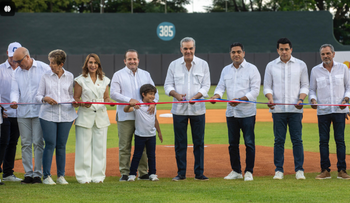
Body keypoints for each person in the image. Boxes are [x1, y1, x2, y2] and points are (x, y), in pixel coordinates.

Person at [210, 42, 261, 181]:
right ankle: (236, 171)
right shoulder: (226, 70)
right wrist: (216, 96)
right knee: (233, 144)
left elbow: (255, 91)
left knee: (249, 143)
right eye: (233, 52)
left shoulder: (252, 69)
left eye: (238, 52)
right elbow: (220, 87)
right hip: (231, 113)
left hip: (247, 113)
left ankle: (249, 171)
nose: (236, 54)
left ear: (244, 53)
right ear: (230, 54)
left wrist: (241, 99)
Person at [164, 37, 211, 181]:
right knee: (180, 143)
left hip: (198, 110)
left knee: (199, 142)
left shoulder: (203, 64)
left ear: (194, 48)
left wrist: (197, 96)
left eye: (190, 48)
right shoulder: (173, 65)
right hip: (179, 110)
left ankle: (199, 173)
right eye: (185, 48)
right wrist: (176, 94)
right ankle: (181, 173)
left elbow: (206, 86)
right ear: (181, 49)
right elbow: (167, 86)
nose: (188, 51)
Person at [263, 38, 309, 180]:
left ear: (291, 49)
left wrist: (301, 99)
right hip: (278, 110)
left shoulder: (301, 65)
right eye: (281, 49)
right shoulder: (270, 66)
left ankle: (299, 170)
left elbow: (305, 85)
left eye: (286, 49)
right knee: (279, 140)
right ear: (277, 50)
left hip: (295, 109)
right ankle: (279, 170)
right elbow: (267, 86)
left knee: (297, 140)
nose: (284, 52)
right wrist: (270, 98)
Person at [110, 49, 159, 182]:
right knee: (124, 146)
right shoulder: (118, 75)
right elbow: (113, 93)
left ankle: (143, 173)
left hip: (143, 117)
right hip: (125, 115)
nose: (132, 61)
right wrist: (129, 100)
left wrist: (154, 103)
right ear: (125, 61)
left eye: (134, 59)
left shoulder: (145, 74)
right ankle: (125, 173)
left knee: (142, 146)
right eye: (129, 59)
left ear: (138, 60)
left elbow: (155, 92)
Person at [35, 50, 77, 185]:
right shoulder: (45, 76)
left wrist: (73, 101)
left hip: (66, 115)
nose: (50, 65)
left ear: (61, 64)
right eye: (50, 62)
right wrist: (45, 98)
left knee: (61, 146)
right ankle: (46, 176)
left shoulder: (70, 76)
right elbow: (38, 96)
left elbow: (70, 95)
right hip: (47, 115)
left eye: (53, 63)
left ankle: (61, 176)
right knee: (50, 144)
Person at [10, 47, 50, 184]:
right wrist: (14, 100)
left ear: (27, 57)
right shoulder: (16, 73)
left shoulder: (44, 68)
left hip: (40, 112)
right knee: (25, 143)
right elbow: (14, 90)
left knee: (38, 143)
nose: (17, 64)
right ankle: (28, 174)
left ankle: (38, 174)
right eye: (15, 61)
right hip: (23, 112)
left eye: (19, 61)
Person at [309, 44, 350, 180]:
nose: (325, 56)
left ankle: (342, 170)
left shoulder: (343, 68)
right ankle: (325, 170)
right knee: (323, 141)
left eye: (328, 53)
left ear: (333, 54)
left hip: (340, 110)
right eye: (323, 54)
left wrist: (346, 99)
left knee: (340, 140)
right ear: (320, 55)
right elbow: (311, 90)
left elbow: (348, 87)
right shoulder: (315, 70)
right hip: (323, 111)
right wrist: (313, 100)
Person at [73, 53, 114, 184]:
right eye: (90, 62)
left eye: (95, 63)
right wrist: (82, 103)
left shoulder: (105, 80)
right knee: (83, 148)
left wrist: (109, 101)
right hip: (85, 116)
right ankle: (83, 176)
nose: (93, 65)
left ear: (99, 65)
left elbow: (106, 97)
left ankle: (98, 176)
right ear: (86, 64)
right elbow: (76, 98)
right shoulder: (80, 80)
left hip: (101, 117)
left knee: (100, 147)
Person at [124, 84, 163, 182]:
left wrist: (159, 132)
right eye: (150, 94)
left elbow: (155, 119)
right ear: (143, 94)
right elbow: (126, 110)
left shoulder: (153, 105)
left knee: (151, 156)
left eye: (153, 94)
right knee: (137, 155)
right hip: (140, 135)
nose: (152, 96)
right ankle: (132, 174)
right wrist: (130, 105)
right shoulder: (138, 105)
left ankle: (152, 174)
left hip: (151, 135)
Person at [0, 42, 22, 184]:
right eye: (11, 56)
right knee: (3, 142)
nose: (13, 59)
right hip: (4, 113)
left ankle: (8, 173)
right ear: (7, 53)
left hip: (19, 113)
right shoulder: (0, 69)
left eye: (16, 57)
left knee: (13, 143)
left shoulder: (24, 70)